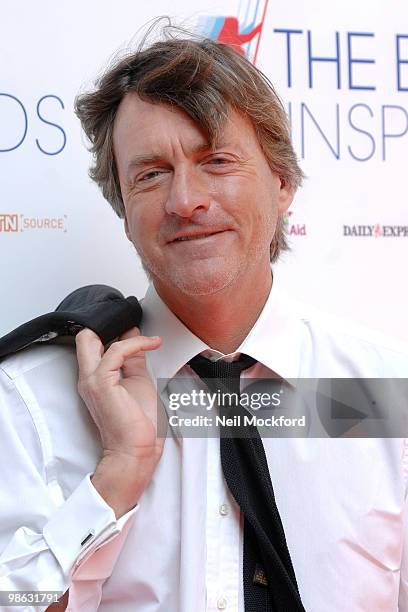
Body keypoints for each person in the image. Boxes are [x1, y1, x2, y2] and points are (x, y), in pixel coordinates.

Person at [0, 28, 408, 612]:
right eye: (151, 174)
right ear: (123, 209)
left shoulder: (386, 391)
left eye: (216, 160)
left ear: (283, 182)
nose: (184, 200)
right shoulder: (31, 400)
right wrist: (116, 477)